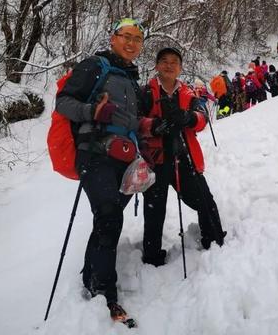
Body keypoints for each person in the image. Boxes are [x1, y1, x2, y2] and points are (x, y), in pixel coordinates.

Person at [54, 17, 145, 321]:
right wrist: (90, 111)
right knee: (108, 215)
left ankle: (91, 273)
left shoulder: (132, 78)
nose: (131, 43)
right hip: (94, 153)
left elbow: (131, 121)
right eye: (126, 36)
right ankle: (106, 293)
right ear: (113, 38)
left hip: (124, 157)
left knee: (107, 219)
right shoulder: (95, 66)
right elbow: (63, 101)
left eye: (137, 39)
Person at [139, 47, 226, 266]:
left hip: (183, 158)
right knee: (154, 211)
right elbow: (134, 122)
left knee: (203, 199)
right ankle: (152, 257)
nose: (169, 65)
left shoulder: (188, 93)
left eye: (174, 62)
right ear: (157, 65)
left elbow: (202, 117)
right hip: (154, 161)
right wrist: (154, 126)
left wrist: (188, 118)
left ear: (180, 67)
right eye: (164, 61)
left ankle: (214, 239)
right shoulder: (145, 93)